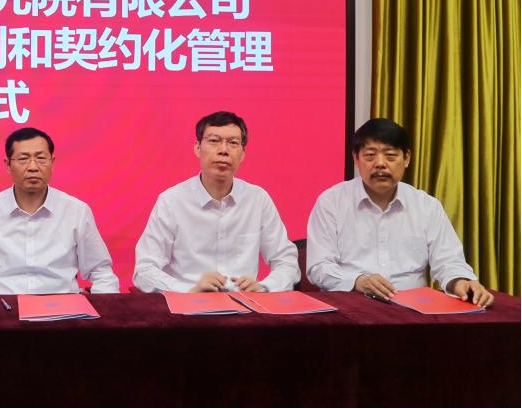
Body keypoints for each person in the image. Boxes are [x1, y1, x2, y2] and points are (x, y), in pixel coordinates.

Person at [306, 118, 494, 307]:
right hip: (351, 306)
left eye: (390, 156)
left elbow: (449, 261)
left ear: (406, 159)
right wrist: (357, 281)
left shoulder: (426, 206)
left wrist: (461, 282)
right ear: (356, 158)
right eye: (370, 156)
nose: (380, 164)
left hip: (414, 309)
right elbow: (319, 267)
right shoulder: (331, 202)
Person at [134, 111, 298, 293]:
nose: (223, 150)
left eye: (233, 143)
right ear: (197, 148)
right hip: (188, 303)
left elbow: (287, 261)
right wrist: (189, 290)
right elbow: (144, 270)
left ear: (243, 153)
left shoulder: (257, 199)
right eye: (214, 141)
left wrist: (264, 287)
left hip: (246, 303)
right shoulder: (171, 201)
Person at [0, 127, 118, 294]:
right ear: (8, 164)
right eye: (23, 159)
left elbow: (101, 272)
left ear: (52, 162)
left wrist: (105, 306)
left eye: (41, 158)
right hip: (5, 305)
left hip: (63, 306)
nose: (33, 167)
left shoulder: (76, 211)